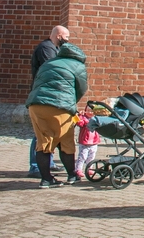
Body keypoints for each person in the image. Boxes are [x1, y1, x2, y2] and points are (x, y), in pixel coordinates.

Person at [26, 40, 87, 187]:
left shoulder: (48, 63)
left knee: (43, 143)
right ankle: (72, 176)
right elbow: (81, 89)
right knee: (65, 142)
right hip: (60, 107)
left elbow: (36, 82)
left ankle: (46, 179)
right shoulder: (78, 66)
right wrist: (72, 103)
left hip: (36, 105)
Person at [28, 25, 69, 178]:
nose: (67, 40)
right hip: (42, 96)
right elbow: (54, 70)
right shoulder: (47, 49)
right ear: (58, 35)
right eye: (66, 37)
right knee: (40, 132)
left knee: (49, 131)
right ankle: (35, 166)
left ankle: (48, 162)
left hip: (49, 96)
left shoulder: (54, 49)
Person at [74, 106, 100, 179]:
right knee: (82, 156)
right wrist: (79, 115)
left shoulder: (96, 119)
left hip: (94, 141)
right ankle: (78, 169)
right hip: (84, 142)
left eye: (92, 111)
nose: (90, 112)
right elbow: (79, 123)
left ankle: (89, 168)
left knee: (91, 156)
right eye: (88, 111)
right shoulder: (83, 118)